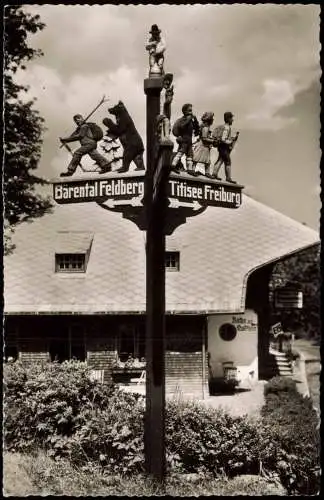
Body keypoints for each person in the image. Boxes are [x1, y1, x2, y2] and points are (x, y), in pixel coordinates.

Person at [209, 111, 239, 183]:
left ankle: (214, 174)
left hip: (221, 146)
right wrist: (231, 141)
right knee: (228, 161)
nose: (232, 120)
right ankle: (228, 178)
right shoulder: (227, 128)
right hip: (224, 147)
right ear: (228, 119)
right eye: (231, 118)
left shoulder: (224, 127)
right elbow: (223, 139)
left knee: (220, 159)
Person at [171, 103, 200, 174]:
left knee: (190, 155)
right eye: (189, 110)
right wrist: (188, 120)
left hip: (189, 141)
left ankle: (189, 169)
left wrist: (195, 120)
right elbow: (181, 127)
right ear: (185, 111)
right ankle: (173, 166)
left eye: (191, 111)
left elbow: (196, 130)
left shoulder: (191, 121)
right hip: (183, 140)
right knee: (180, 153)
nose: (191, 112)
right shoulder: (182, 120)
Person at [192, 111, 215, 177]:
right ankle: (193, 170)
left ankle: (207, 172)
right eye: (212, 118)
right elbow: (204, 138)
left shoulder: (205, 127)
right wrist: (212, 141)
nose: (213, 120)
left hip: (205, 146)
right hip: (202, 145)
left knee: (207, 161)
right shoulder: (205, 128)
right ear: (209, 120)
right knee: (196, 158)